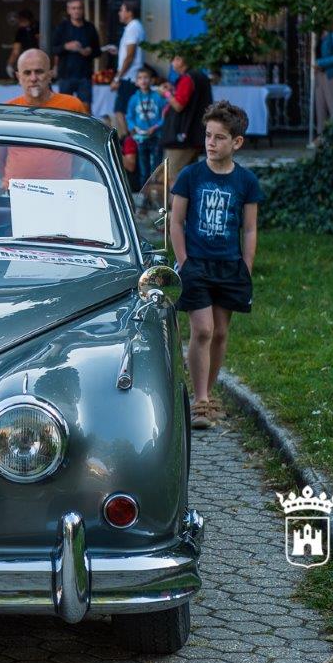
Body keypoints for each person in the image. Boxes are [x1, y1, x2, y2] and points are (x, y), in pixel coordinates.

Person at [169, 101, 262, 430]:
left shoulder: (246, 181)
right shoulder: (190, 175)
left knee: (221, 333)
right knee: (203, 330)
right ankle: (200, 400)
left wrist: (246, 266)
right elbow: (176, 222)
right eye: (208, 135)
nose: (211, 143)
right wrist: (184, 263)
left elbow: (249, 229)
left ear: (236, 143)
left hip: (229, 266)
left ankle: (207, 394)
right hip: (197, 265)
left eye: (219, 137)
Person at [0, 48, 87, 185]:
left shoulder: (72, 106)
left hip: (60, 191)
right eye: (27, 73)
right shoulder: (7, 110)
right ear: (19, 77)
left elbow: (83, 153)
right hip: (16, 192)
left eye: (39, 72)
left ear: (50, 75)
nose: (33, 78)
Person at [158, 53, 213, 187]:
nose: (173, 63)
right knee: (189, 177)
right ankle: (187, 207)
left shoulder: (187, 79)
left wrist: (165, 93)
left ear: (183, 60)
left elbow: (178, 105)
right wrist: (174, 90)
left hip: (181, 138)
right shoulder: (201, 76)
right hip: (195, 135)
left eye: (176, 58)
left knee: (172, 177)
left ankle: (175, 208)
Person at [50, 0, 100, 107]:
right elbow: (52, 49)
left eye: (79, 8)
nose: (76, 11)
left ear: (83, 9)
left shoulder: (90, 28)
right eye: (73, 8)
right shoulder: (62, 27)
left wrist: (90, 51)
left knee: (86, 109)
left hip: (85, 77)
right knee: (65, 110)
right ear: (68, 10)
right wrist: (66, 47)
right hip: (66, 76)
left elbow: (98, 51)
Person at [127, 66, 166, 192]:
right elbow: (129, 116)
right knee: (143, 170)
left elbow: (164, 115)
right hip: (141, 137)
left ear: (151, 80)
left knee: (156, 168)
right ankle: (144, 196)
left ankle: (155, 195)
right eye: (140, 78)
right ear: (136, 82)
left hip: (155, 136)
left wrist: (155, 127)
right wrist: (133, 129)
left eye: (146, 78)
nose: (143, 81)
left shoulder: (158, 97)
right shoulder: (134, 98)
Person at [110, 0, 146, 138]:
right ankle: (130, 141)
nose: (119, 13)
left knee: (121, 111)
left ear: (129, 13)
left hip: (129, 77)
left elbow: (130, 56)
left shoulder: (133, 27)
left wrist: (117, 77)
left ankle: (128, 142)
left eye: (122, 10)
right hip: (131, 75)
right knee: (124, 111)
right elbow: (129, 53)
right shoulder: (134, 27)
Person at [6, 8, 37, 82]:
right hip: (33, 60)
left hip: (34, 60)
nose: (19, 23)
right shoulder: (21, 31)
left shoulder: (22, 31)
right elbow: (16, 51)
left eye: (20, 20)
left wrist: (9, 65)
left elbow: (16, 52)